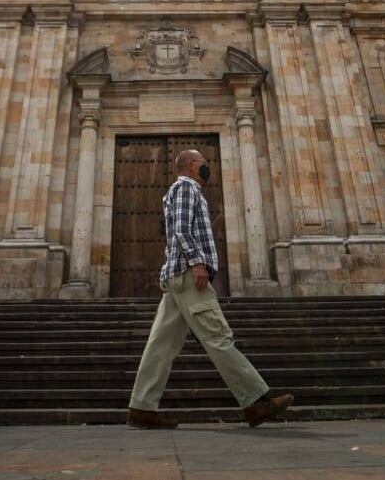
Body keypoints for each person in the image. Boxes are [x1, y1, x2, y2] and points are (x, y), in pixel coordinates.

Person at [126, 149, 294, 429]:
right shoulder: (185, 188)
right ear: (192, 166)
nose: (207, 168)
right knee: (218, 336)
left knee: (160, 346)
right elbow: (180, 229)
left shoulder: (184, 191)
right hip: (189, 277)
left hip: (177, 278)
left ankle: (141, 408)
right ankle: (256, 402)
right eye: (204, 163)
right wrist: (197, 263)